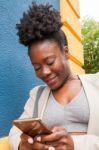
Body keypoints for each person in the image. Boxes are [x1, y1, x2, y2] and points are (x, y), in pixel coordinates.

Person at [9, 2, 99, 150]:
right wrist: (21, 144)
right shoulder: (36, 96)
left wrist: (75, 144)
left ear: (66, 52)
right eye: (37, 67)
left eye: (50, 62)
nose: (44, 72)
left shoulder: (96, 84)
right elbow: (14, 132)